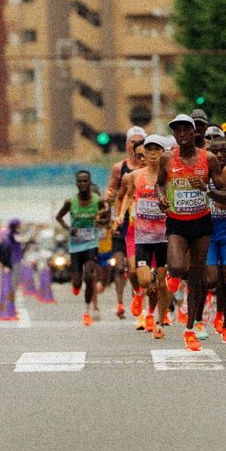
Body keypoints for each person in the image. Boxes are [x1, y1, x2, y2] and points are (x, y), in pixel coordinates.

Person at [164, 113, 226, 351]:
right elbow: (161, 183)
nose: (181, 134)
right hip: (177, 222)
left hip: (201, 222)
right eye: (176, 131)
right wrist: (162, 197)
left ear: (194, 132)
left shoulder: (208, 159)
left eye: (185, 130)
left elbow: (225, 194)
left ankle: (190, 328)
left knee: (198, 277)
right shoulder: (167, 159)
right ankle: (173, 277)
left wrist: (208, 190)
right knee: (178, 268)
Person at [113, 133, 172, 337]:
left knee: (162, 286)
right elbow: (128, 196)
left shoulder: (169, 176)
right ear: (144, 155)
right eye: (149, 150)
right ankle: (152, 278)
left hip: (165, 237)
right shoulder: (134, 177)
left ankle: (159, 323)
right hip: (143, 236)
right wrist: (120, 215)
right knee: (145, 281)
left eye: (157, 150)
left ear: (163, 154)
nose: (153, 153)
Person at [200, 125, 226, 344]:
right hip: (208, 235)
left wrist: (206, 190)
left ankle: (225, 323)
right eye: (215, 152)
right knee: (210, 279)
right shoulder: (203, 173)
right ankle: (202, 318)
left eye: (223, 151)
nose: (219, 155)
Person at [55, 169, 108, 325]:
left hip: (92, 243)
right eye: (80, 181)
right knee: (78, 281)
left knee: (89, 277)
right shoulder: (70, 202)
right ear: (76, 184)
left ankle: (87, 311)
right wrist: (68, 228)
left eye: (86, 181)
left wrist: (101, 223)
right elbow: (59, 217)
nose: (83, 184)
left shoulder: (97, 200)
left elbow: (106, 216)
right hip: (76, 245)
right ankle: (76, 285)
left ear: (89, 182)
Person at [105, 126, 147, 320]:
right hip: (126, 225)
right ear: (127, 144)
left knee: (145, 268)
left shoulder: (152, 170)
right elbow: (114, 194)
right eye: (132, 141)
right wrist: (116, 214)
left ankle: (143, 301)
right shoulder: (120, 168)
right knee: (125, 267)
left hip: (149, 225)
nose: (135, 145)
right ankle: (124, 301)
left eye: (139, 141)